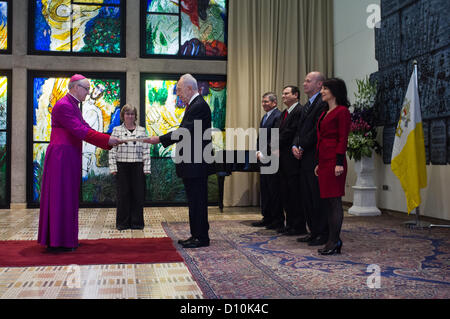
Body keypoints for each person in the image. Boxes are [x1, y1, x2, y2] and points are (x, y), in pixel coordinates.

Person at [37, 74, 123, 252]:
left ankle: (64, 239)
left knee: (67, 197)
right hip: (62, 157)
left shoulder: (72, 105)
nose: (88, 93)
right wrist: (107, 140)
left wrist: (107, 140)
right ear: (75, 87)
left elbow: (86, 128)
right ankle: (58, 241)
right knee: (62, 197)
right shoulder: (63, 106)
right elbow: (80, 130)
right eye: (86, 89)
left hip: (68, 155)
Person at [144, 74, 212, 249]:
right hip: (192, 163)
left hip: (196, 163)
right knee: (194, 201)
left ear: (190, 88)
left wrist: (160, 139)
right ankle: (196, 234)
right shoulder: (194, 105)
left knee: (197, 201)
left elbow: (185, 131)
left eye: (180, 90)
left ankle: (201, 237)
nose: (178, 94)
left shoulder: (199, 106)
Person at [314, 78, 351, 255]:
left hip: (335, 162)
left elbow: (343, 138)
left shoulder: (342, 111)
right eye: (322, 89)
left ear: (335, 91)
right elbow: (321, 139)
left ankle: (334, 241)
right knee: (328, 202)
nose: (322, 92)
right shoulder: (324, 112)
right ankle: (333, 239)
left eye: (325, 89)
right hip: (324, 161)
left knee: (335, 202)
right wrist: (318, 163)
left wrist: (338, 162)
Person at [292, 72, 329, 246]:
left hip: (314, 155)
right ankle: (313, 231)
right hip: (303, 157)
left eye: (308, 81)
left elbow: (317, 129)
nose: (304, 83)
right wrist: (295, 145)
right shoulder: (307, 105)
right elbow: (299, 130)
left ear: (319, 84)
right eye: (304, 80)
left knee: (317, 197)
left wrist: (302, 145)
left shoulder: (323, 103)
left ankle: (322, 232)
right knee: (306, 197)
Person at [109, 104, 151, 231]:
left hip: (137, 166)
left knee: (138, 195)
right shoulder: (116, 130)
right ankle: (122, 223)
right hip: (122, 165)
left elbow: (146, 150)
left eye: (132, 114)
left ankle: (137, 223)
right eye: (127, 114)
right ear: (123, 116)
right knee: (123, 195)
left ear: (135, 116)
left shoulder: (142, 131)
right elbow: (111, 150)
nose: (130, 116)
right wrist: (113, 167)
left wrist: (147, 168)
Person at [275, 86, 307, 236]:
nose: (283, 96)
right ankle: (289, 224)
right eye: (283, 93)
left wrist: (273, 144)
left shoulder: (299, 111)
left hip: (293, 161)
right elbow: (277, 132)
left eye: (286, 93)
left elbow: (291, 132)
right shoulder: (284, 113)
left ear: (296, 95)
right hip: (283, 160)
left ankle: (298, 226)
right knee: (286, 194)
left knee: (295, 194)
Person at [253, 92, 283, 229]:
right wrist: (258, 151)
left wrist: (266, 153)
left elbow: (275, 137)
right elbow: (261, 138)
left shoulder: (278, 116)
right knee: (265, 189)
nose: (264, 104)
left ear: (274, 103)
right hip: (262, 158)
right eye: (263, 101)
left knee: (274, 191)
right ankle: (267, 217)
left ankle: (277, 220)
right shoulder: (265, 117)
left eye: (266, 102)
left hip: (272, 158)